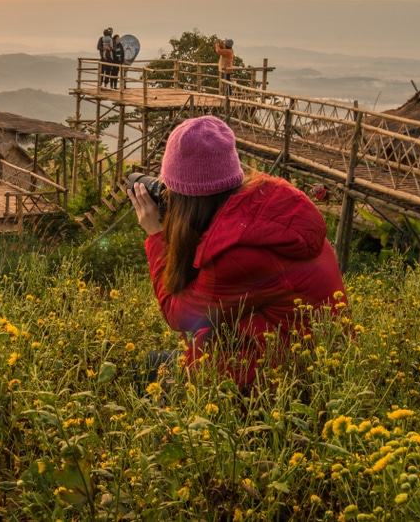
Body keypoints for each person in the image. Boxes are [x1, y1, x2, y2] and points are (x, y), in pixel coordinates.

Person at [127, 116, 347, 391]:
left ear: (187, 201)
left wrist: (156, 235)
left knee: (144, 368)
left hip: (281, 382)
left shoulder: (239, 256)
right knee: (157, 362)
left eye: (171, 191)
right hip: (312, 358)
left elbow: (178, 315)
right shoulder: (268, 203)